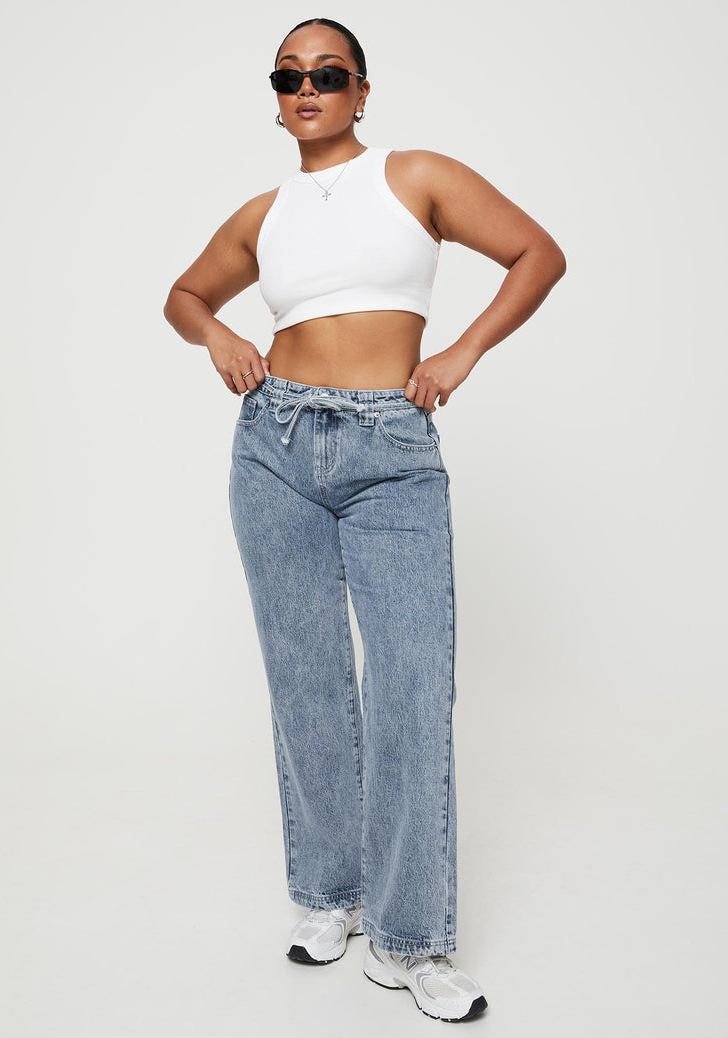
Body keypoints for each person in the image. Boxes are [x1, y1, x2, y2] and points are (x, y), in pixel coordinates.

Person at [163, 16, 565, 1023]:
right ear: (277, 96)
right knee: (306, 681)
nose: (307, 88)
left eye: (327, 73)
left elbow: (536, 253)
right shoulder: (263, 213)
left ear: (361, 90)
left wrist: (461, 351)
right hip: (274, 445)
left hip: (392, 448)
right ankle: (330, 893)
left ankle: (412, 938)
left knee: (410, 691)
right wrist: (216, 334)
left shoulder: (413, 176)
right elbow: (183, 294)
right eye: (288, 76)